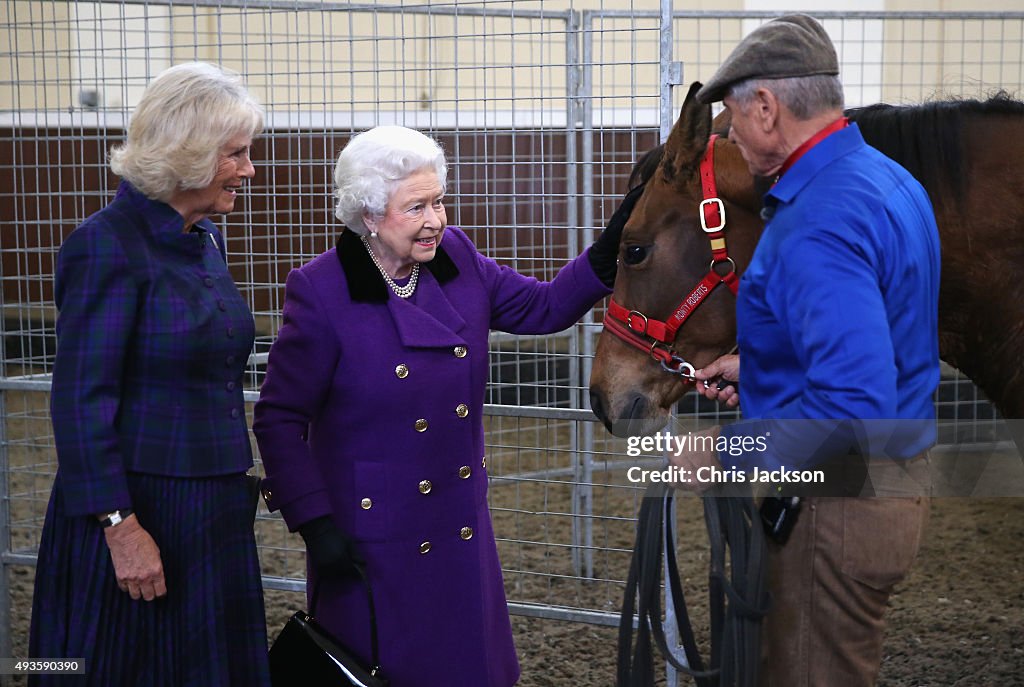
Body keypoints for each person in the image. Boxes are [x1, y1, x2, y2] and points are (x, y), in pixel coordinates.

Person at [252, 125, 625, 686]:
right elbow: (279, 417)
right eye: (417, 206)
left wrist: (608, 255)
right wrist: (315, 524)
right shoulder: (322, 291)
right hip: (372, 537)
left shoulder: (457, 259)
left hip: (457, 520)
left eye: (439, 201)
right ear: (370, 216)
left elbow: (544, 308)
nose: (436, 219)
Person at [670, 14, 941, 687]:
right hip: (889, 486)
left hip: (838, 509)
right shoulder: (885, 180)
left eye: (732, 116)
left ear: (767, 107)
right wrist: (763, 370)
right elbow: (882, 336)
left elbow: (852, 405)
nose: (730, 133)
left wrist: (721, 453)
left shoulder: (817, 220)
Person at [29, 62, 270, 686]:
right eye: (236, 154)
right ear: (189, 155)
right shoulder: (107, 244)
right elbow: (81, 400)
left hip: (210, 503)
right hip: (139, 509)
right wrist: (120, 528)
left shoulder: (204, 237)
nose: (249, 169)